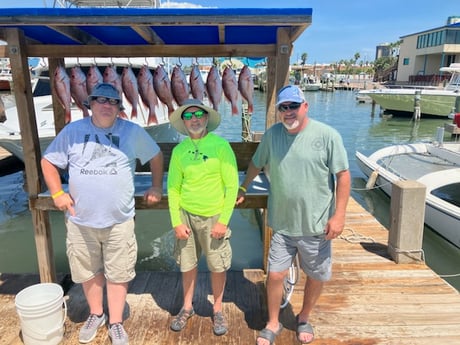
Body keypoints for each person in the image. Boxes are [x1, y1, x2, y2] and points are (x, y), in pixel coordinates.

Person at [41, 83, 164, 345]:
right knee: (87, 271)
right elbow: (48, 161)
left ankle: (116, 321)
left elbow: (155, 156)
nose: (106, 105)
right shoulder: (73, 130)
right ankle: (96, 313)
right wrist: (56, 193)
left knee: (118, 273)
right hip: (80, 220)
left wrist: (156, 185)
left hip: (119, 219)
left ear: (120, 107)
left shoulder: (131, 131)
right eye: (100, 100)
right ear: (90, 104)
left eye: (112, 101)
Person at [236, 85, 351, 345]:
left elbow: (343, 175)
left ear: (305, 106)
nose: (288, 112)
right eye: (283, 107)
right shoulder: (272, 135)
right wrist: (244, 186)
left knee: (316, 275)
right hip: (282, 224)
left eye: (293, 106)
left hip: (317, 226)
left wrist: (340, 215)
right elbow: (256, 162)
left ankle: (304, 316)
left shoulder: (327, 135)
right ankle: (273, 322)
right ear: (278, 111)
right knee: (275, 275)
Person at [167, 99, 239, 336]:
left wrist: (223, 221)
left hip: (214, 216)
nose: (195, 119)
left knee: (217, 266)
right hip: (185, 215)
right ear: (183, 122)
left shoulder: (221, 146)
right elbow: (173, 189)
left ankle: (217, 309)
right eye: (189, 116)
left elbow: (232, 185)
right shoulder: (179, 151)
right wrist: (176, 222)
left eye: (199, 114)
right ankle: (187, 307)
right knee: (187, 264)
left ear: (207, 119)